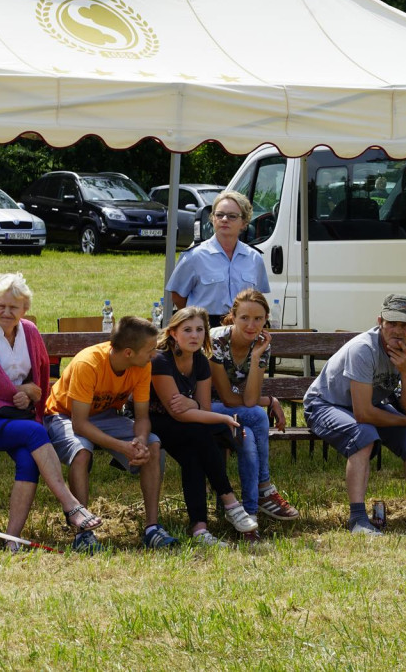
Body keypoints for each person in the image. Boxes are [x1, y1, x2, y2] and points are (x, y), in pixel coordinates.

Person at [0, 273, 103, 550]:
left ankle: (11, 539)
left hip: (18, 420)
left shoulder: (31, 332)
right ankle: (72, 506)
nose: (6, 312)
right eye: (0, 305)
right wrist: (20, 393)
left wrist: (31, 393)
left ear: (25, 309)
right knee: (35, 432)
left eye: (14, 307)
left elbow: (39, 380)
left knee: (28, 460)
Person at [303, 294, 406, 535]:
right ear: (380, 322)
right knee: (363, 434)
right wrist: (404, 420)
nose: (397, 330)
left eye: (404, 325)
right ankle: (358, 520)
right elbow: (363, 414)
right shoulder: (363, 349)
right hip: (324, 404)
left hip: (366, 405)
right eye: (391, 323)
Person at [45, 316, 176, 552]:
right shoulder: (89, 364)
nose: (154, 354)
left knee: (154, 445)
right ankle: (82, 533)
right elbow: (80, 425)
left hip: (103, 415)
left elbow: (142, 417)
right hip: (63, 414)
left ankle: (152, 528)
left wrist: (139, 440)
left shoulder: (143, 365)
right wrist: (121, 446)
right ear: (128, 353)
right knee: (82, 450)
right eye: (150, 350)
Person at [148, 306, 256, 547]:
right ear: (173, 333)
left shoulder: (200, 361)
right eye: (187, 330)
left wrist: (192, 403)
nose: (194, 335)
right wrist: (223, 419)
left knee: (193, 456)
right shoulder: (160, 359)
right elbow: (178, 413)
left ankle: (200, 529)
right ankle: (230, 502)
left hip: (186, 425)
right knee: (201, 432)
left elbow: (202, 409)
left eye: (199, 330)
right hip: (150, 421)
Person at [208, 289, 298, 529]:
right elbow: (227, 397)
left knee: (248, 440)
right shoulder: (216, 340)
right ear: (233, 316)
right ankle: (265, 488)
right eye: (244, 318)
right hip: (203, 407)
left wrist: (257, 356)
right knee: (258, 414)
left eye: (258, 319)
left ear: (266, 319)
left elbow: (248, 399)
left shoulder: (261, 344)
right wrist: (270, 401)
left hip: (238, 409)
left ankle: (250, 511)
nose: (251, 325)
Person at [166, 190, 269, 328]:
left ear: (244, 222)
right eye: (219, 215)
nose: (224, 220)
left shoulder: (254, 258)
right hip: (206, 327)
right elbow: (178, 296)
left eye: (232, 216)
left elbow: (258, 298)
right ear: (213, 219)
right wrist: (197, 321)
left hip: (244, 328)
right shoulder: (195, 256)